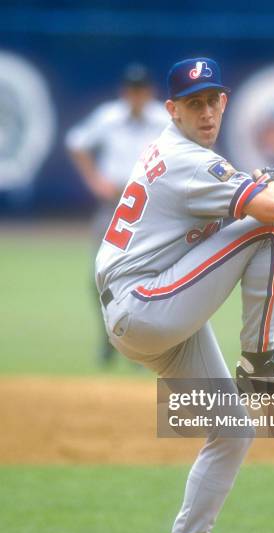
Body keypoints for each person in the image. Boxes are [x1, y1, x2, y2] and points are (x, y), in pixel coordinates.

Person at [95, 57, 274, 533]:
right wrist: (266, 183)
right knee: (268, 229)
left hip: (149, 309)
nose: (205, 112)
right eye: (193, 104)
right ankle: (262, 359)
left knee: (232, 431)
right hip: (146, 306)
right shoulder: (185, 158)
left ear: (224, 102)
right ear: (171, 109)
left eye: (212, 101)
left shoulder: (173, 149)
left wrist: (254, 184)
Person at [66, 63, 168, 363]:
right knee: (99, 274)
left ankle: (142, 346)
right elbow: (76, 143)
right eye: (131, 89)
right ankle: (108, 338)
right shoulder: (108, 117)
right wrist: (94, 179)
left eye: (141, 89)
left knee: (150, 275)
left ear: (150, 91)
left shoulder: (163, 119)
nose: (136, 95)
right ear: (125, 91)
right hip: (113, 206)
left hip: (152, 208)